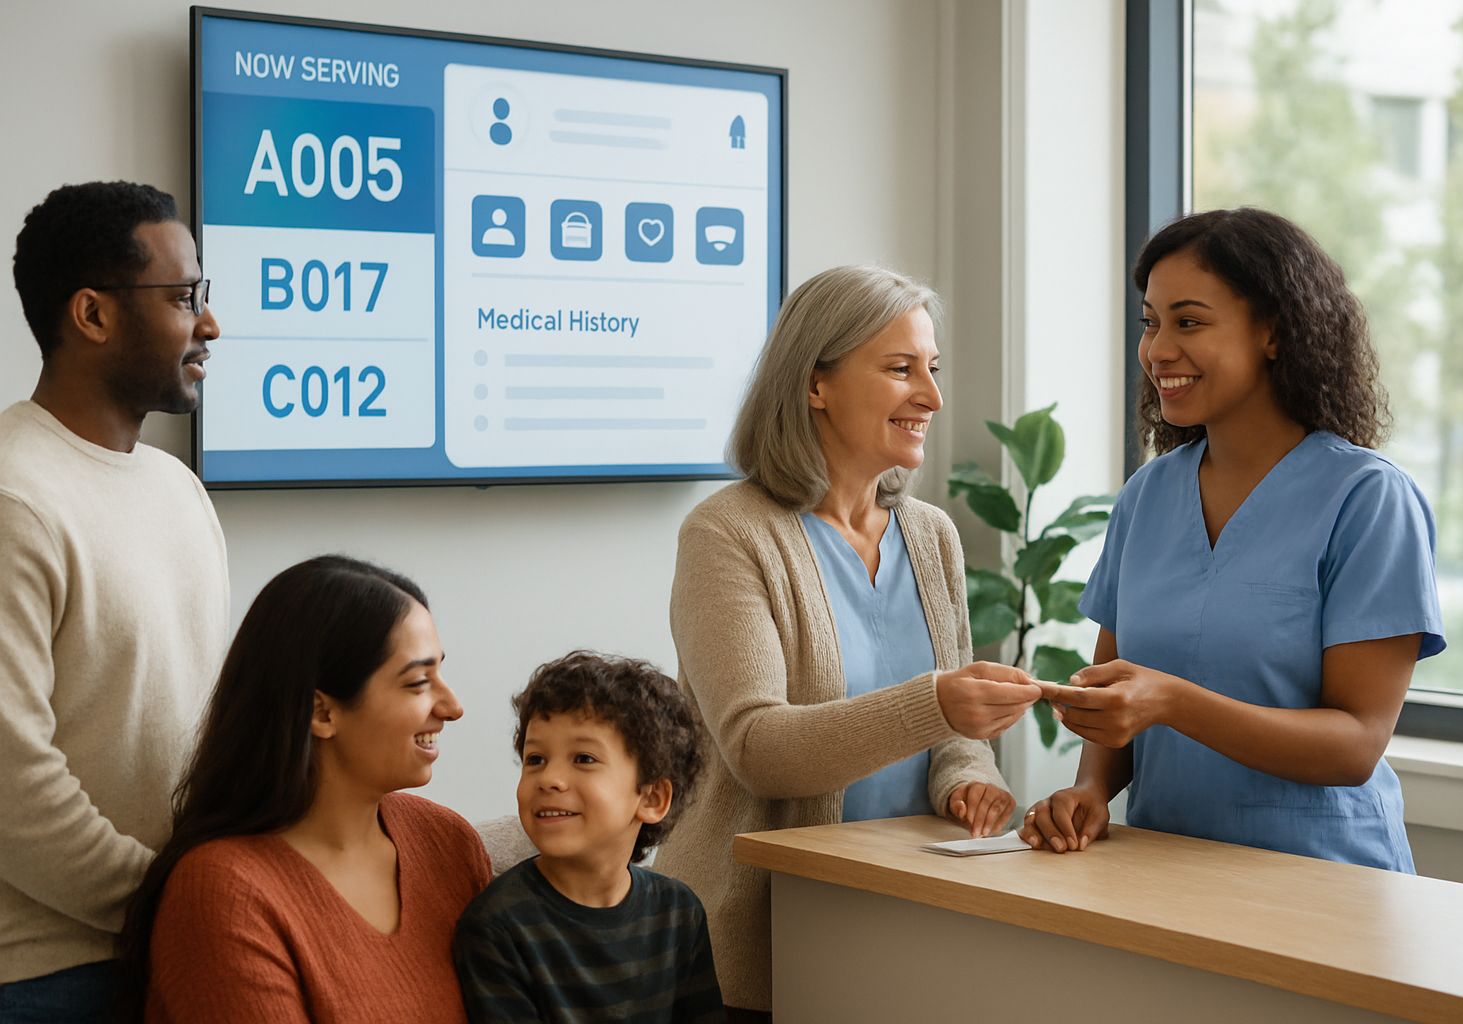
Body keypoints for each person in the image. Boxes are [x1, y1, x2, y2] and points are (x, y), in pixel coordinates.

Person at [658, 264, 1042, 1018]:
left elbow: (951, 738)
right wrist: (939, 704)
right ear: (814, 385)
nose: (931, 397)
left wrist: (968, 778)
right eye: (901, 370)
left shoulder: (930, 535)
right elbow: (760, 749)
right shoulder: (728, 533)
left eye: (931, 370)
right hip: (755, 952)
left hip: (901, 921)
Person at [1020, 208, 1444, 872]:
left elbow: (1356, 743)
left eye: (1188, 322)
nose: (1158, 349)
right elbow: (1116, 694)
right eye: (1151, 323)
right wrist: (1090, 790)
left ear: (1274, 332)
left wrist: (1172, 701)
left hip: (1327, 879)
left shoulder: (1367, 499)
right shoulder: (1148, 497)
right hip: (1161, 869)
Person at [0, 182, 227, 1022]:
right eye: (183, 298)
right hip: (48, 976)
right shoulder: (15, 497)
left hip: (174, 943)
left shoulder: (178, 489)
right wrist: (177, 898)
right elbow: (12, 788)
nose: (209, 325)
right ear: (92, 315)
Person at [119, 555, 492, 1022]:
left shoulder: (449, 844)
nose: (453, 706)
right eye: (418, 682)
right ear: (321, 713)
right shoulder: (221, 895)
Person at [454, 651, 723, 1022]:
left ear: (651, 798)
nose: (549, 779)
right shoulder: (497, 926)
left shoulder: (679, 912)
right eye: (536, 759)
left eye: (583, 758)